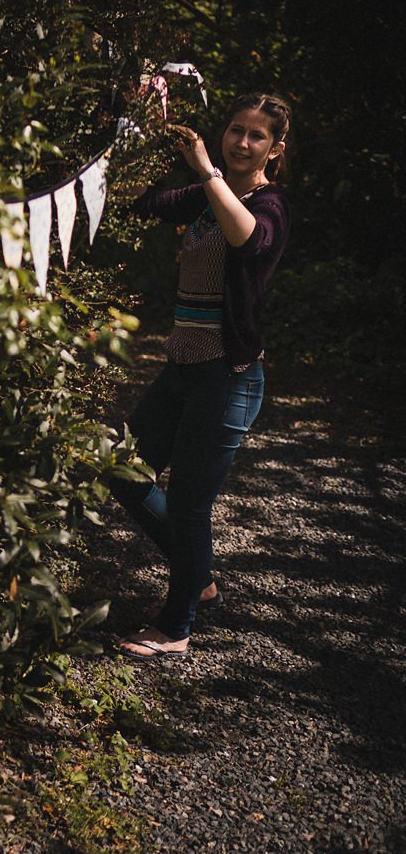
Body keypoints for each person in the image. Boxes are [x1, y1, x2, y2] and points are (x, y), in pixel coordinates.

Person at [110, 92, 293, 660]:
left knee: (189, 503)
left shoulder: (269, 207)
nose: (242, 142)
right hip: (181, 369)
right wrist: (138, 125)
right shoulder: (204, 196)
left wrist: (209, 173)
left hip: (228, 377)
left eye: (256, 135)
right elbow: (142, 202)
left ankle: (176, 627)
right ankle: (199, 575)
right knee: (122, 471)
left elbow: (247, 239)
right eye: (235, 129)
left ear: (275, 149)